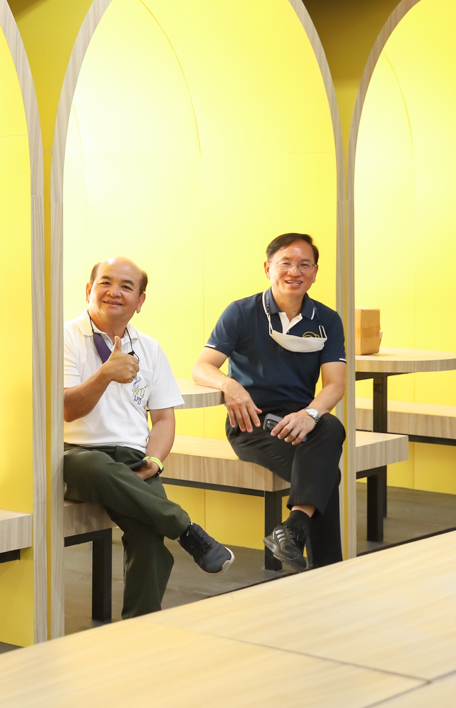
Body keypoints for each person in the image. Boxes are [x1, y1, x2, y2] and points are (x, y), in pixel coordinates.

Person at [62, 257, 234, 619]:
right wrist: (105, 373)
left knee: (150, 541)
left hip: (132, 458)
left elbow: (164, 419)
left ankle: (139, 628)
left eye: (126, 286)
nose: (114, 292)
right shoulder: (63, 338)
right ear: (89, 289)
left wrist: (154, 459)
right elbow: (67, 410)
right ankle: (186, 529)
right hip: (75, 454)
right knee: (96, 465)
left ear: (140, 301)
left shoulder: (150, 348)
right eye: (105, 282)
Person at [193, 232, 347, 570]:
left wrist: (309, 414)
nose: (295, 271)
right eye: (285, 263)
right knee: (325, 474)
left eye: (304, 264)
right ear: (268, 268)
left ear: (315, 272)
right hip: (252, 424)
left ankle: (293, 532)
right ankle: (325, 567)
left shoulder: (327, 319)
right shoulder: (241, 312)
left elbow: (336, 384)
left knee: (330, 425)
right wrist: (229, 385)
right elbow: (201, 367)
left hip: (299, 423)